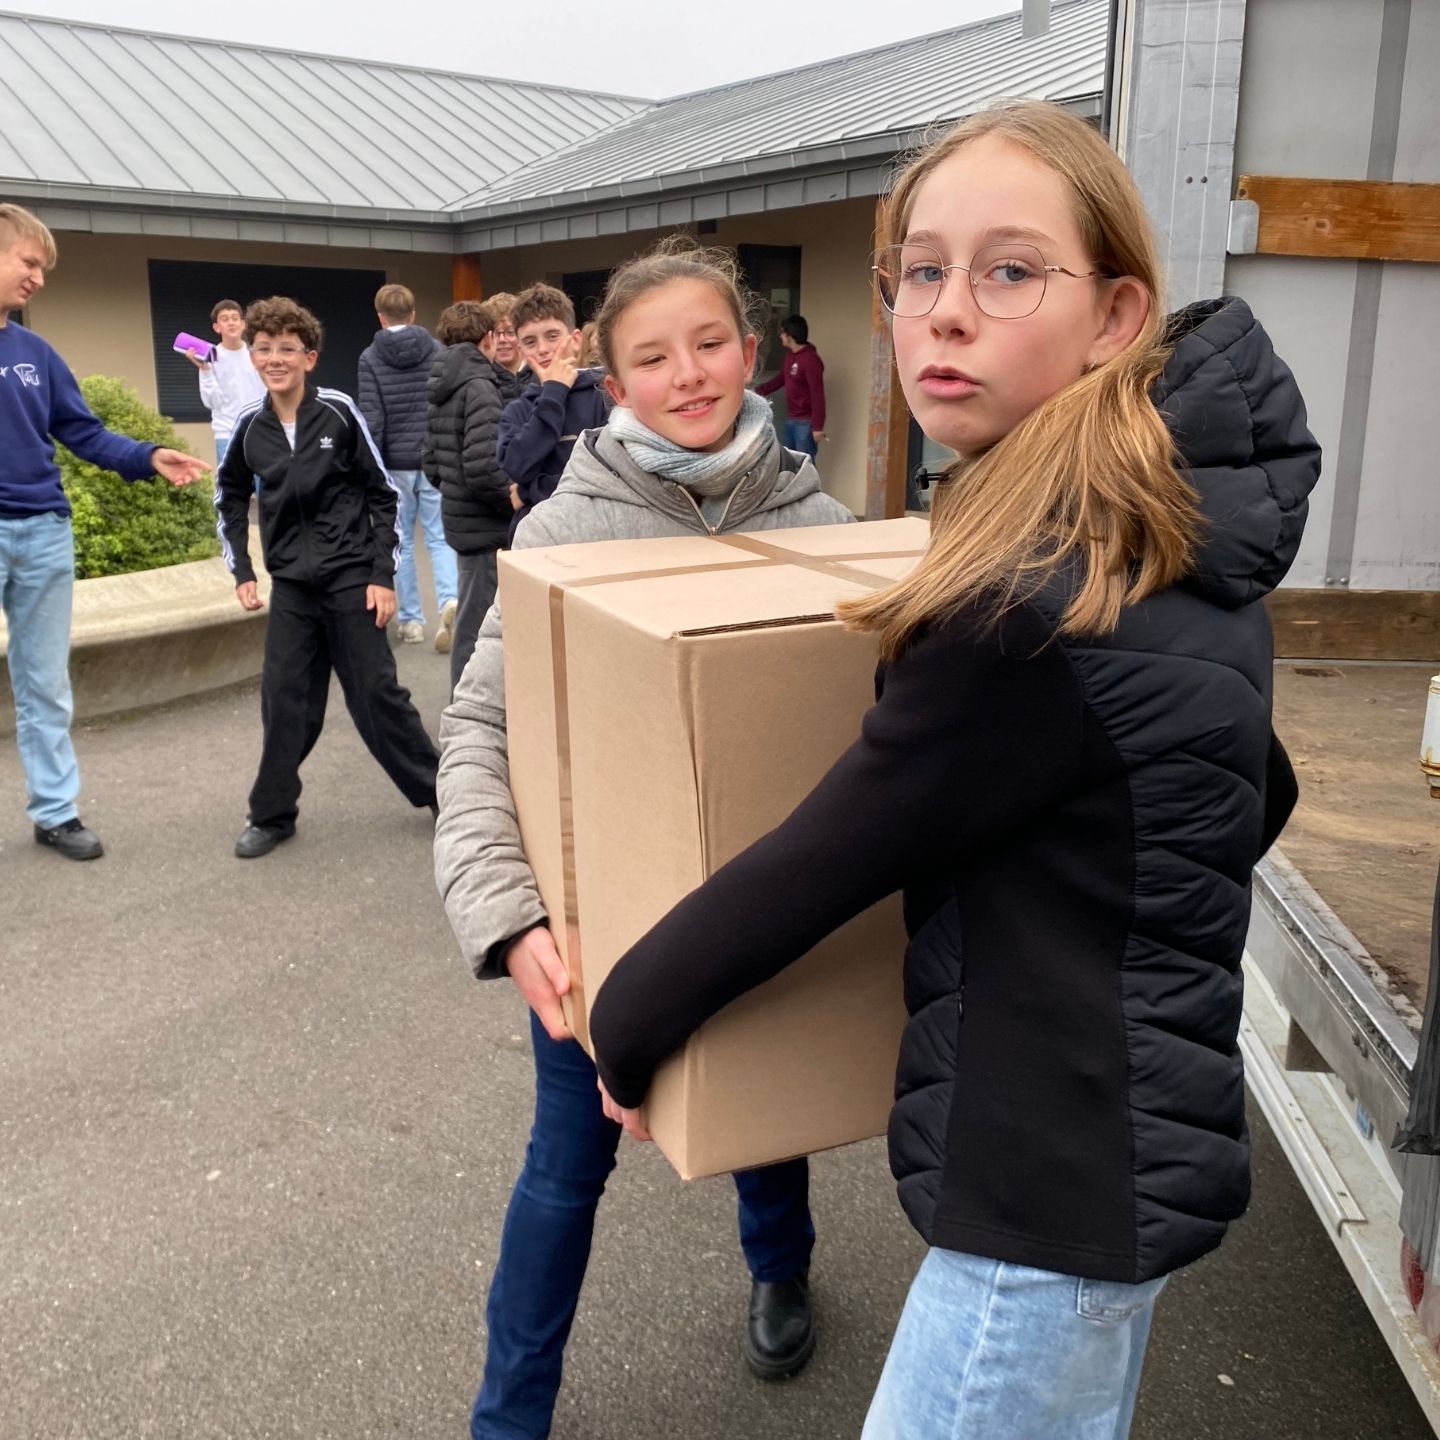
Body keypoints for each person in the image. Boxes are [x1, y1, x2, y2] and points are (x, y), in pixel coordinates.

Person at [587, 101, 1322, 1439]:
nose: (946, 314)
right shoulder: (1165, 528)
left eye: (1009, 270)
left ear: (1115, 316)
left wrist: (625, 1023)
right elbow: (1254, 790)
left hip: (1047, 1183)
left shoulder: (1030, 603)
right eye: (920, 271)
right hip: (1119, 1143)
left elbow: (825, 860)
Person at [434, 237, 855, 1440]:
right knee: (567, 1164)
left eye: (710, 343)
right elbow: (481, 726)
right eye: (655, 358)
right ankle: (510, 1413)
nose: (690, 373)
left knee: (762, 1101)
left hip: (767, 898)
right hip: (597, 923)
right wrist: (505, 913)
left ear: (751, 351)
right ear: (613, 383)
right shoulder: (563, 535)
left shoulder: (825, 521)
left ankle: (781, 1267)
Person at [0, 202, 206, 861]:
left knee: (44, 683)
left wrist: (147, 455)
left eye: (44, 268)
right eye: (29, 262)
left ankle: (55, 813)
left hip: (42, 533)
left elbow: (82, 433)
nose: (38, 278)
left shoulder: (35, 353)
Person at [214, 296, 439, 860]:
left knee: (377, 697)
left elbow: (383, 494)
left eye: (287, 349)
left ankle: (444, 796)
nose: (275, 358)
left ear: (309, 357)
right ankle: (272, 814)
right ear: (253, 356)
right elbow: (230, 496)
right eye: (264, 348)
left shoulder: (338, 413)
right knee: (285, 702)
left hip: (350, 582)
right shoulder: (250, 427)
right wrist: (242, 568)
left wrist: (381, 574)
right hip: (293, 588)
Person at [421, 299, 524, 690]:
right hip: (486, 526)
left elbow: (431, 463)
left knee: (472, 621)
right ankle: (465, 709)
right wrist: (513, 500)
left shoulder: (443, 382)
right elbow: (483, 465)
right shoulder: (479, 384)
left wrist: (455, 491)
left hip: (462, 522)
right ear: (488, 338)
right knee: (479, 629)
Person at [357, 283, 458, 653]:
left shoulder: (370, 357)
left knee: (400, 540)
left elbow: (372, 417)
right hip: (432, 457)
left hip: (394, 464)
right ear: (413, 314)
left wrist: (370, 467)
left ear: (380, 317)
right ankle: (450, 601)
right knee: (439, 535)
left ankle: (412, 621)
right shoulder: (437, 350)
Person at [496, 284, 610, 539]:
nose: (543, 349)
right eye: (530, 341)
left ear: (576, 340)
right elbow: (517, 467)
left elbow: (606, 477)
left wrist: (528, 491)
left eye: (552, 336)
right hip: (538, 538)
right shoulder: (517, 410)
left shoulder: (604, 396)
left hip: (596, 535)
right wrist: (553, 393)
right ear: (521, 350)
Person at [185, 298, 266, 467]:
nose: (231, 323)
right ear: (217, 327)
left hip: (260, 430)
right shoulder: (210, 357)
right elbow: (211, 402)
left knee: (266, 482)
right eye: (225, 319)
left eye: (235, 318)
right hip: (227, 434)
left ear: (243, 324)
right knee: (231, 483)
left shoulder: (258, 353)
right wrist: (205, 369)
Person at [755, 314, 825, 457]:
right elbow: (781, 379)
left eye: (783, 333)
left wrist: (818, 426)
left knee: (804, 464)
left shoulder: (810, 360)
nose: (780, 336)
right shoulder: (789, 356)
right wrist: (758, 391)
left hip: (805, 422)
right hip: (791, 418)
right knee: (789, 461)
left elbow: (817, 394)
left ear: (790, 335)